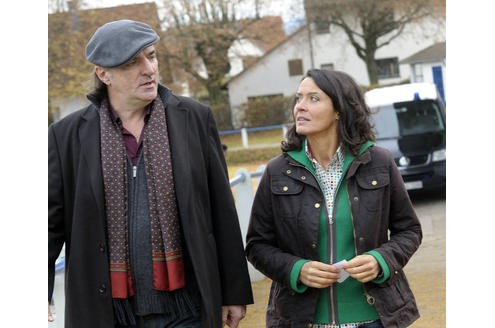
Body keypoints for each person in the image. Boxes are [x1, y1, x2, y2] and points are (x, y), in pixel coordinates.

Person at [48, 19, 253, 328]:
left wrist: (233, 291)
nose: (149, 69)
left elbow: (220, 211)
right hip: (107, 312)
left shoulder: (194, 118)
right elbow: (48, 223)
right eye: (132, 62)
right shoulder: (66, 135)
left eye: (152, 55)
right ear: (104, 74)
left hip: (187, 308)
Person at [245, 69, 422, 328]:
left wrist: (380, 260)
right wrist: (296, 270)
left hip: (375, 319)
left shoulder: (379, 162)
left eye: (313, 99)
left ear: (339, 109)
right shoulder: (277, 170)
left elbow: (409, 230)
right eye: (298, 98)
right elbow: (257, 245)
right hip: (301, 320)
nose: (300, 107)